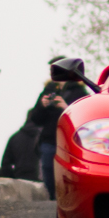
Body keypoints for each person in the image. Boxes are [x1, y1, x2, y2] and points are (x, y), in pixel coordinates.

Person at [31, 57, 94, 198]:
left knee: (67, 176)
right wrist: (43, 106)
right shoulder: (48, 90)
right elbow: (35, 119)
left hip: (69, 142)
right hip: (49, 140)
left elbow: (83, 119)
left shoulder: (80, 93)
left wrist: (65, 107)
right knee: (48, 172)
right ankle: (52, 200)